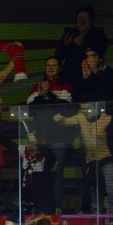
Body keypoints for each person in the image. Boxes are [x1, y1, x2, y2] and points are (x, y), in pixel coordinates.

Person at [53, 103, 113, 214]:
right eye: (83, 109)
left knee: (111, 190)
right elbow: (66, 122)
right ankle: (98, 222)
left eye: (88, 109)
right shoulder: (81, 117)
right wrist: (59, 119)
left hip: (107, 160)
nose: (85, 111)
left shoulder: (107, 117)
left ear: (96, 108)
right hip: (91, 162)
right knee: (95, 193)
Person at [26, 57, 75, 215]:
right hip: (41, 138)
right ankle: (42, 207)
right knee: (40, 173)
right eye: (48, 65)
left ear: (60, 68)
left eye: (54, 65)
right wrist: (41, 96)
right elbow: (28, 111)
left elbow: (67, 109)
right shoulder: (36, 88)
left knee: (57, 172)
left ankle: (57, 208)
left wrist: (50, 95)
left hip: (60, 138)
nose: (51, 68)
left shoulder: (66, 87)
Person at [54, 6, 108, 93]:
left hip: (89, 79)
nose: (82, 21)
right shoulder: (70, 34)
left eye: (85, 18)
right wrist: (65, 45)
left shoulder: (99, 34)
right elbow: (58, 56)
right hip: (69, 78)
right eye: (80, 18)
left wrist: (84, 45)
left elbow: (100, 54)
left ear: (91, 20)